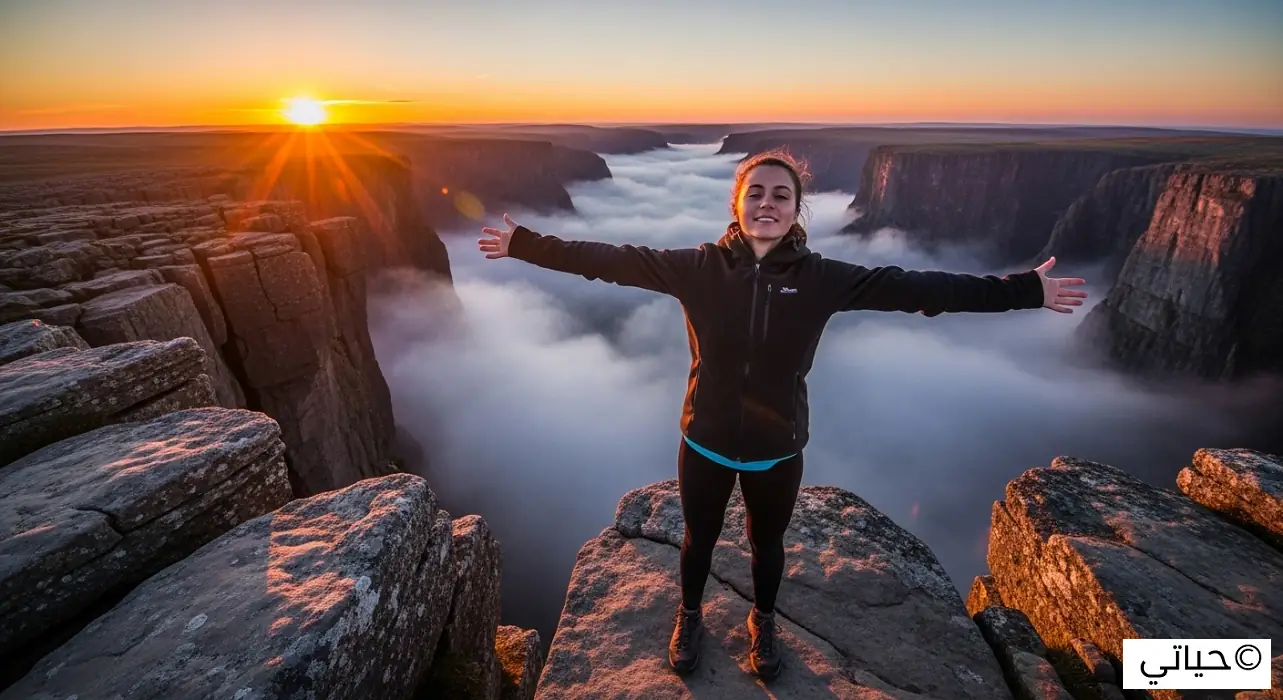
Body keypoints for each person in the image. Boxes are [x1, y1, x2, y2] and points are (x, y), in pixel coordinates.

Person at [477, 149, 1087, 681]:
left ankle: (762, 621)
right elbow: (607, 259)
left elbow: (923, 290)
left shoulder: (822, 279)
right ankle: (689, 617)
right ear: (737, 204)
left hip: (778, 449)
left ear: (797, 209)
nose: (768, 203)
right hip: (707, 441)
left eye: (782, 195)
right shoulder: (698, 268)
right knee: (699, 540)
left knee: (767, 545)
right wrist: (524, 244)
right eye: (756, 193)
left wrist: (1024, 290)